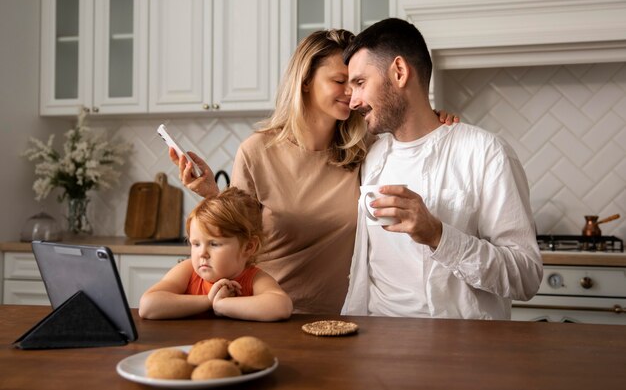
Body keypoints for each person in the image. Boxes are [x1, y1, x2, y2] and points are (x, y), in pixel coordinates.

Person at [171, 30, 458, 314]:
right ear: (306, 81)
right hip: (269, 313)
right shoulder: (257, 152)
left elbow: (413, 135)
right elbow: (239, 240)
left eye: (357, 82)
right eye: (339, 81)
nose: (352, 93)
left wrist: (432, 120)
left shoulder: (365, 149)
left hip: (344, 318)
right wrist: (211, 194)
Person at [341, 18, 543, 320]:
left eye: (360, 83)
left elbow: (525, 276)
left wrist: (438, 235)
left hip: (464, 353)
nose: (352, 100)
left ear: (399, 72)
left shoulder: (486, 153)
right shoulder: (371, 158)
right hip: (380, 349)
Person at [138, 187, 293, 321]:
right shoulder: (187, 271)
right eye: (196, 244)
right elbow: (148, 306)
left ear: (248, 247)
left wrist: (223, 305)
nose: (202, 254)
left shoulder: (254, 278)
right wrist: (209, 301)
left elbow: (281, 307)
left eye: (214, 244)